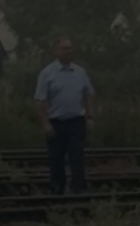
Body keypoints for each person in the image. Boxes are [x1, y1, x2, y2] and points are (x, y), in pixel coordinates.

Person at [34, 36, 95, 195]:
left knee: (77, 158)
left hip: (76, 121)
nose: (69, 52)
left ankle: (78, 190)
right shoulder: (47, 74)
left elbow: (88, 95)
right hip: (56, 123)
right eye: (65, 49)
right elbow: (40, 101)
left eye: (70, 48)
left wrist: (90, 117)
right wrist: (45, 124)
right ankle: (57, 190)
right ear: (56, 52)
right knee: (56, 159)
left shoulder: (80, 72)